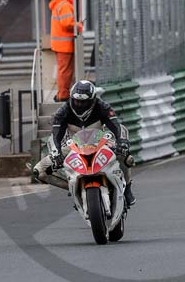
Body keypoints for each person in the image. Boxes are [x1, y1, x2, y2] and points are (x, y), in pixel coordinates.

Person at [33, 79, 136, 207]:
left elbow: (115, 125)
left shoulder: (102, 106)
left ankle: (127, 188)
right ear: (71, 98)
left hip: (100, 139)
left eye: (84, 102)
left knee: (126, 157)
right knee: (39, 171)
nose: (79, 105)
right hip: (74, 144)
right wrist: (56, 152)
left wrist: (122, 142)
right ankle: (75, 187)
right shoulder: (63, 111)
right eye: (77, 101)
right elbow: (56, 133)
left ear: (92, 100)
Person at [50, 0, 83, 102]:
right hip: (64, 45)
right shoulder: (65, 5)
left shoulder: (61, 3)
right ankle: (63, 96)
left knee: (64, 71)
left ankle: (62, 93)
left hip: (61, 44)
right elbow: (67, 23)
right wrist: (79, 25)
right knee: (65, 72)